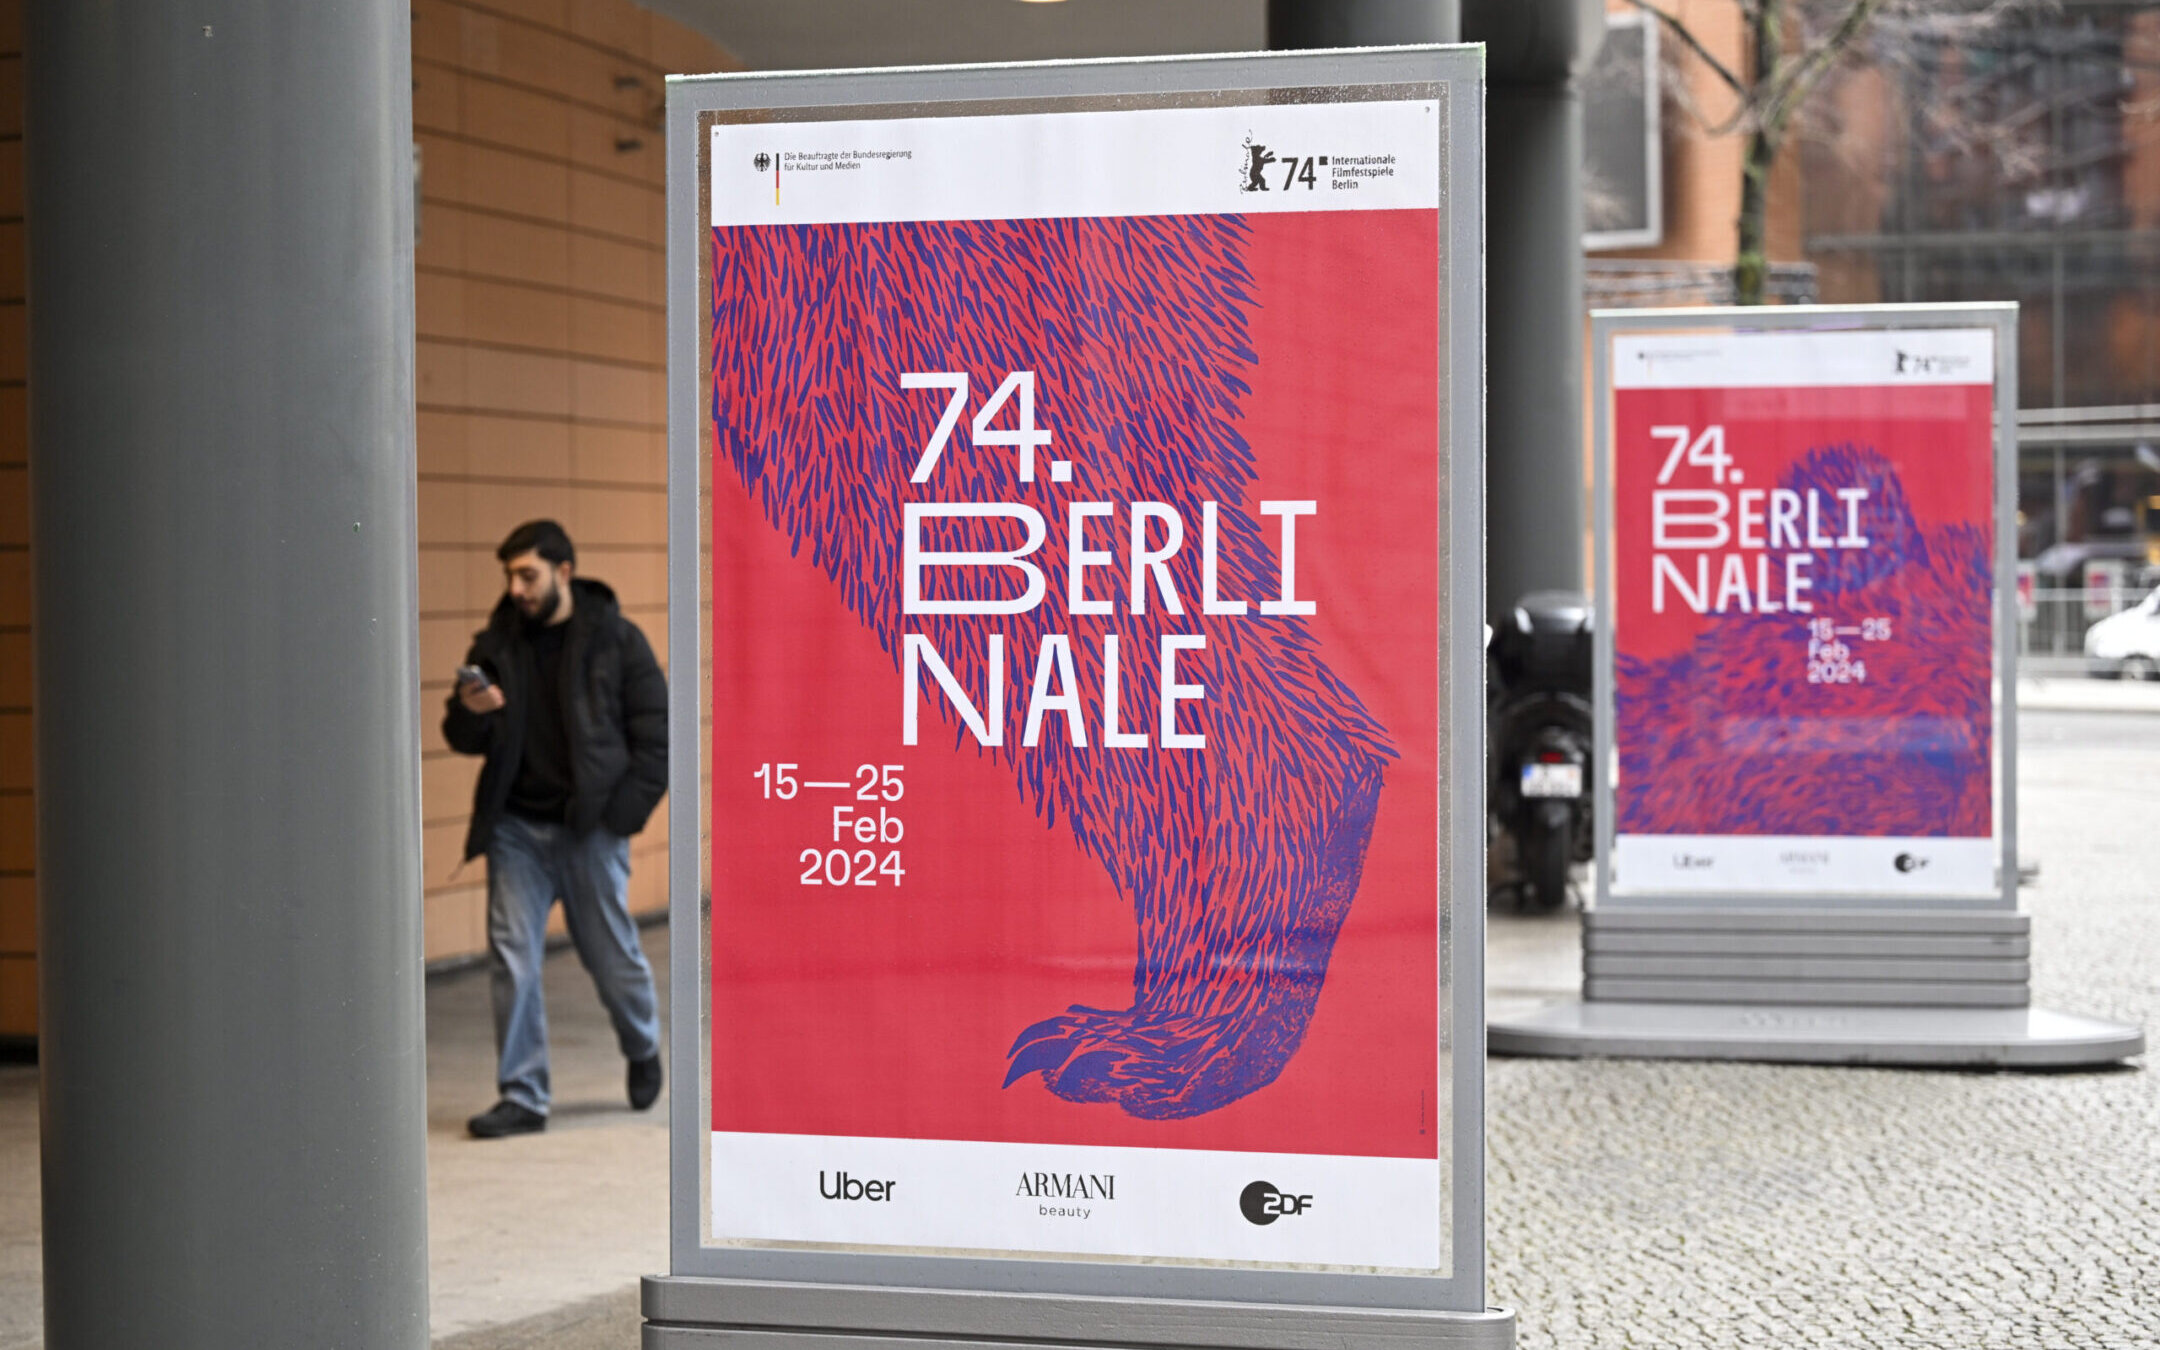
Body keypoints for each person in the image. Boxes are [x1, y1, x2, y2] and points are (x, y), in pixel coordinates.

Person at [443, 520, 668, 1138]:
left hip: (590, 829)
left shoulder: (618, 642)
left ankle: (642, 1042)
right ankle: (524, 1095)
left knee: (611, 957)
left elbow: (656, 738)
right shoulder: (499, 644)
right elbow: (460, 738)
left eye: (528, 575)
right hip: (517, 830)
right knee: (513, 958)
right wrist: (472, 714)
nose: (516, 588)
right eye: (511, 576)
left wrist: (618, 818)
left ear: (564, 572)